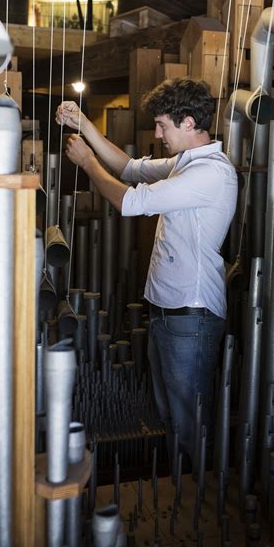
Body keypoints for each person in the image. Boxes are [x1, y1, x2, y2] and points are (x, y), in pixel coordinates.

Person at [56, 78, 238, 462]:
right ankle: (181, 490)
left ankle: (198, 499)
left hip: (191, 313)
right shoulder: (184, 164)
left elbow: (129, 200)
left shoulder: (209, 173)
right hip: (169, 312)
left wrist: (88, 163)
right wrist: (84, 125)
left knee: (188, 420)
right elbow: (129, 168)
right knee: (170, 416)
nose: (157, 133)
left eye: (163, 125)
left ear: (189, 123)